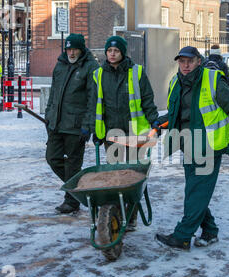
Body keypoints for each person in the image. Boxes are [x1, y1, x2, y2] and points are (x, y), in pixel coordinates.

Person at [155, 46, 229, 250]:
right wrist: (161, 122)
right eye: (182, 61)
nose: (185, 65)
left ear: (198, 61)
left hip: (209, 146)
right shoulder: (175, 82)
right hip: (187, 143)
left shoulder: (213, 80)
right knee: (195, 191)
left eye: (190, 61)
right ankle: (210, 231)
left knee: (196, 192)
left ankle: (182, 236)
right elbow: (176, 113)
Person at [90, 35, 159, 230]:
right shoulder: (98, 75)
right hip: (111, 133)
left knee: (132, 176)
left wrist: (154, 121)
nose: (112, 54)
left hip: (136, 132)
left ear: (123, 53)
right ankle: (117, 212)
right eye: (109, 51)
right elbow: (94, 104)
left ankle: (131, 216)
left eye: (116, 51)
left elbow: (147, 99)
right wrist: (95, 129)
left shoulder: (136, 72)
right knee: (115, 176)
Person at [44, 33, 99, 214]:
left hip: (76, 126)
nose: (71, 52)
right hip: (57, 123)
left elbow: (93, 99)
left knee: (73, 164)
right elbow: (53, 93)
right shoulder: (60, 64)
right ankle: (80, 188)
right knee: (52, 158)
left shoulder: (90, 67)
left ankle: (71, 201)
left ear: (81, 49)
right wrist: (48, 115)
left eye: (74, 49)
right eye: (68, 49)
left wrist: (88, 124)